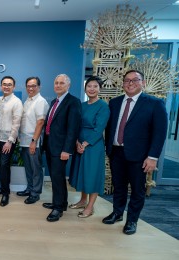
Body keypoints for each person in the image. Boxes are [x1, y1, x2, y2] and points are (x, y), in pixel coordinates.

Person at [103, 70, 168, 235]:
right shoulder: (115, 102)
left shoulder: (154, 103)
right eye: (127, 80)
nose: (130, 83)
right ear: (123, 83)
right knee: (118, 186)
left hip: (140, 156)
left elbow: (159, 133)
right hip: (116, 152)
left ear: (143, 82)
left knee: (137, 190)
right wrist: (108, 148)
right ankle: (117, 213)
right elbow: (110, 128)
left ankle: (132, 220)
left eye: (135, 80)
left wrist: (152, 157)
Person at [68, 76, 110, 218]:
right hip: (79, 143)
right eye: (89, 86)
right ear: (85, 89)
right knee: (83, 173)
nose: (92, 89)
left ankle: (90, 207)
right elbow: (76, 125)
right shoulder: (82, 105)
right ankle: (82, 200)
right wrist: (77, 142)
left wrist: (85, 144)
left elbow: (99, 129)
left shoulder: (103, 106)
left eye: (95, 86)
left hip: (93, 146)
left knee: (92, 175)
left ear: (100, 89)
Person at [42, 74, 81, 222]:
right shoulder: (54, 101)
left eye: (61, 83)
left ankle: (57, 209)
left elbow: (73, 129)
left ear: (68, 85)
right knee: (55, 178)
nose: (58, 85)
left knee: (58, 178)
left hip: (61, 149)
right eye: (56, 83)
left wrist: (67, 150)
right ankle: (60, 202)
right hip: (51, 146)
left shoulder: (73, 102)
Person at [0, 76, 23, 207]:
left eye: (9, 84)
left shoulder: (17, 102)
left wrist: (10, 141)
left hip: (8, 141)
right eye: (4, 84)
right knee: (0, 165)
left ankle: (6, 194)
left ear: (13, 87)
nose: (6, 86)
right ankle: (2, 188)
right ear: (0, 86)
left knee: (4, 165)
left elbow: (16, 123)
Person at [17, 76, 50, 205]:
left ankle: (35, 193)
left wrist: (34, 141)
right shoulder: (27, 101)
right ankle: (29, 189)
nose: (31, 88)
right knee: (28, 168)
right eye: (28, 86)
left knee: (36, 169)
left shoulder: (40, 101)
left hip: (33, 141)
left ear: (39, 87)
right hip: (24, 140)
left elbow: (40, 122)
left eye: (33, 86)